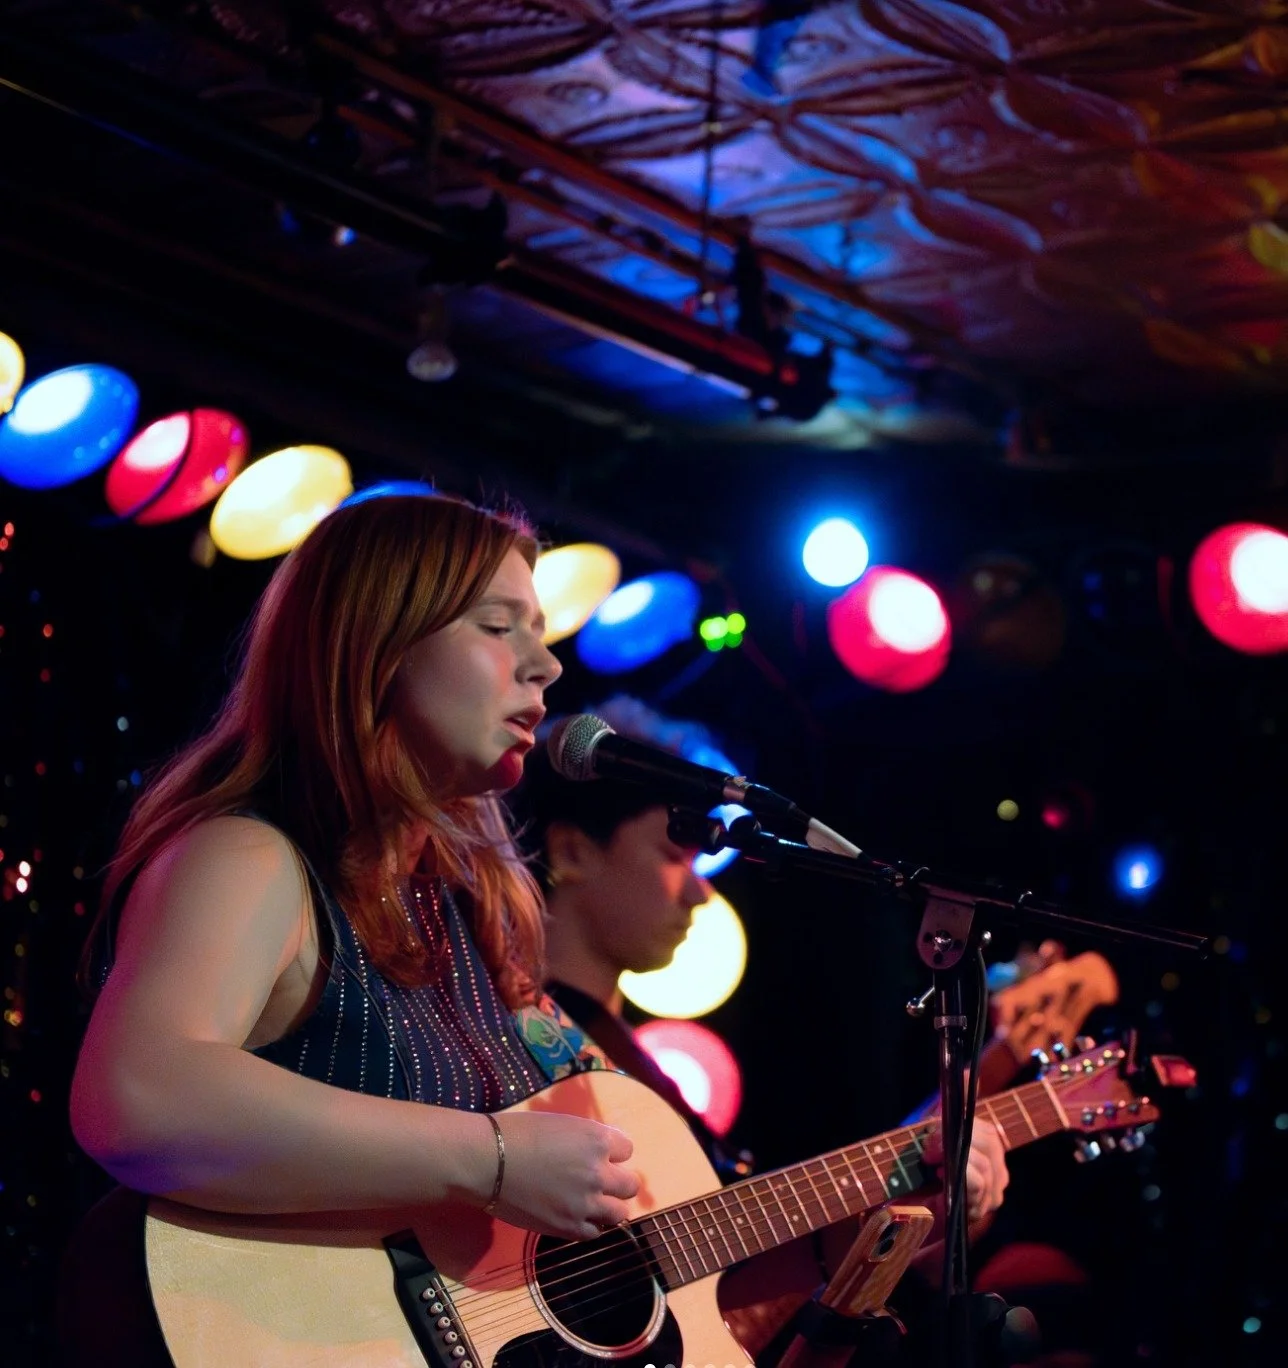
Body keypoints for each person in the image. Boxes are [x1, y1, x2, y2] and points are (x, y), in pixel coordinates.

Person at [60, 495, 638, 1362]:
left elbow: (622, 1165)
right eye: (499, 626)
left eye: (542, 631)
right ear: (378, 645)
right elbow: (136, 1094)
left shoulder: (459, 909)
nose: (546, 666)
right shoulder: (249, 855)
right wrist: (491, 1157)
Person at [511, 695, 1011, 1361]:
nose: (699, 892)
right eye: (673, 855)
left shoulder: (627, 1067)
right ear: (572, 848)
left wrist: (917, 1197)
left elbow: (730, 1306)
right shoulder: (509, 1037)